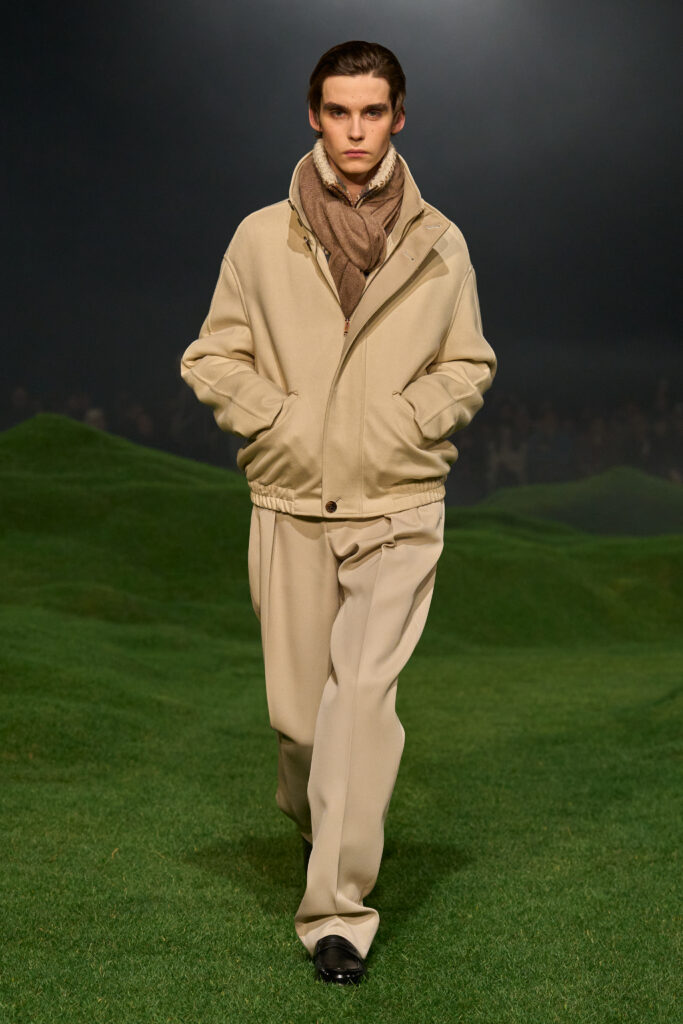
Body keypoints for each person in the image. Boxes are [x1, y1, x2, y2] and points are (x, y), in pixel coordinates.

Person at [180, 39, 497, 985]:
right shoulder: (259, 238)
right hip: (290, 501)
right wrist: (278, 419)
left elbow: (469, 362)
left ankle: (337, 917)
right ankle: (323, 812)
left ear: (398, 117)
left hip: (398, 503)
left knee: (358, 705)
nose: (355, 130)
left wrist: (408, 422)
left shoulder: (440, 242)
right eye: (338, 111)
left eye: (371, 112)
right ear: (314, 116)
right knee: (303, 727)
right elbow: (211, 356)